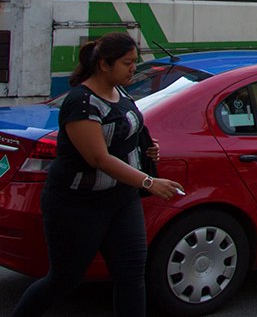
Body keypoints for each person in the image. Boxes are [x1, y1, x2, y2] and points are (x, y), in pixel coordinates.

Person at [14, 32, 183, 317]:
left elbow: (127, 132)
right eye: (127, 63)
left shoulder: (121, 91)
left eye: (134, 61)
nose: (133, 68)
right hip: (77, 204)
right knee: (65, 278)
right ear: (104, 64)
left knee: (130, 275)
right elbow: (98, 157)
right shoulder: (81, 102)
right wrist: (149, 182)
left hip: (121, 200)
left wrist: (146, 150)